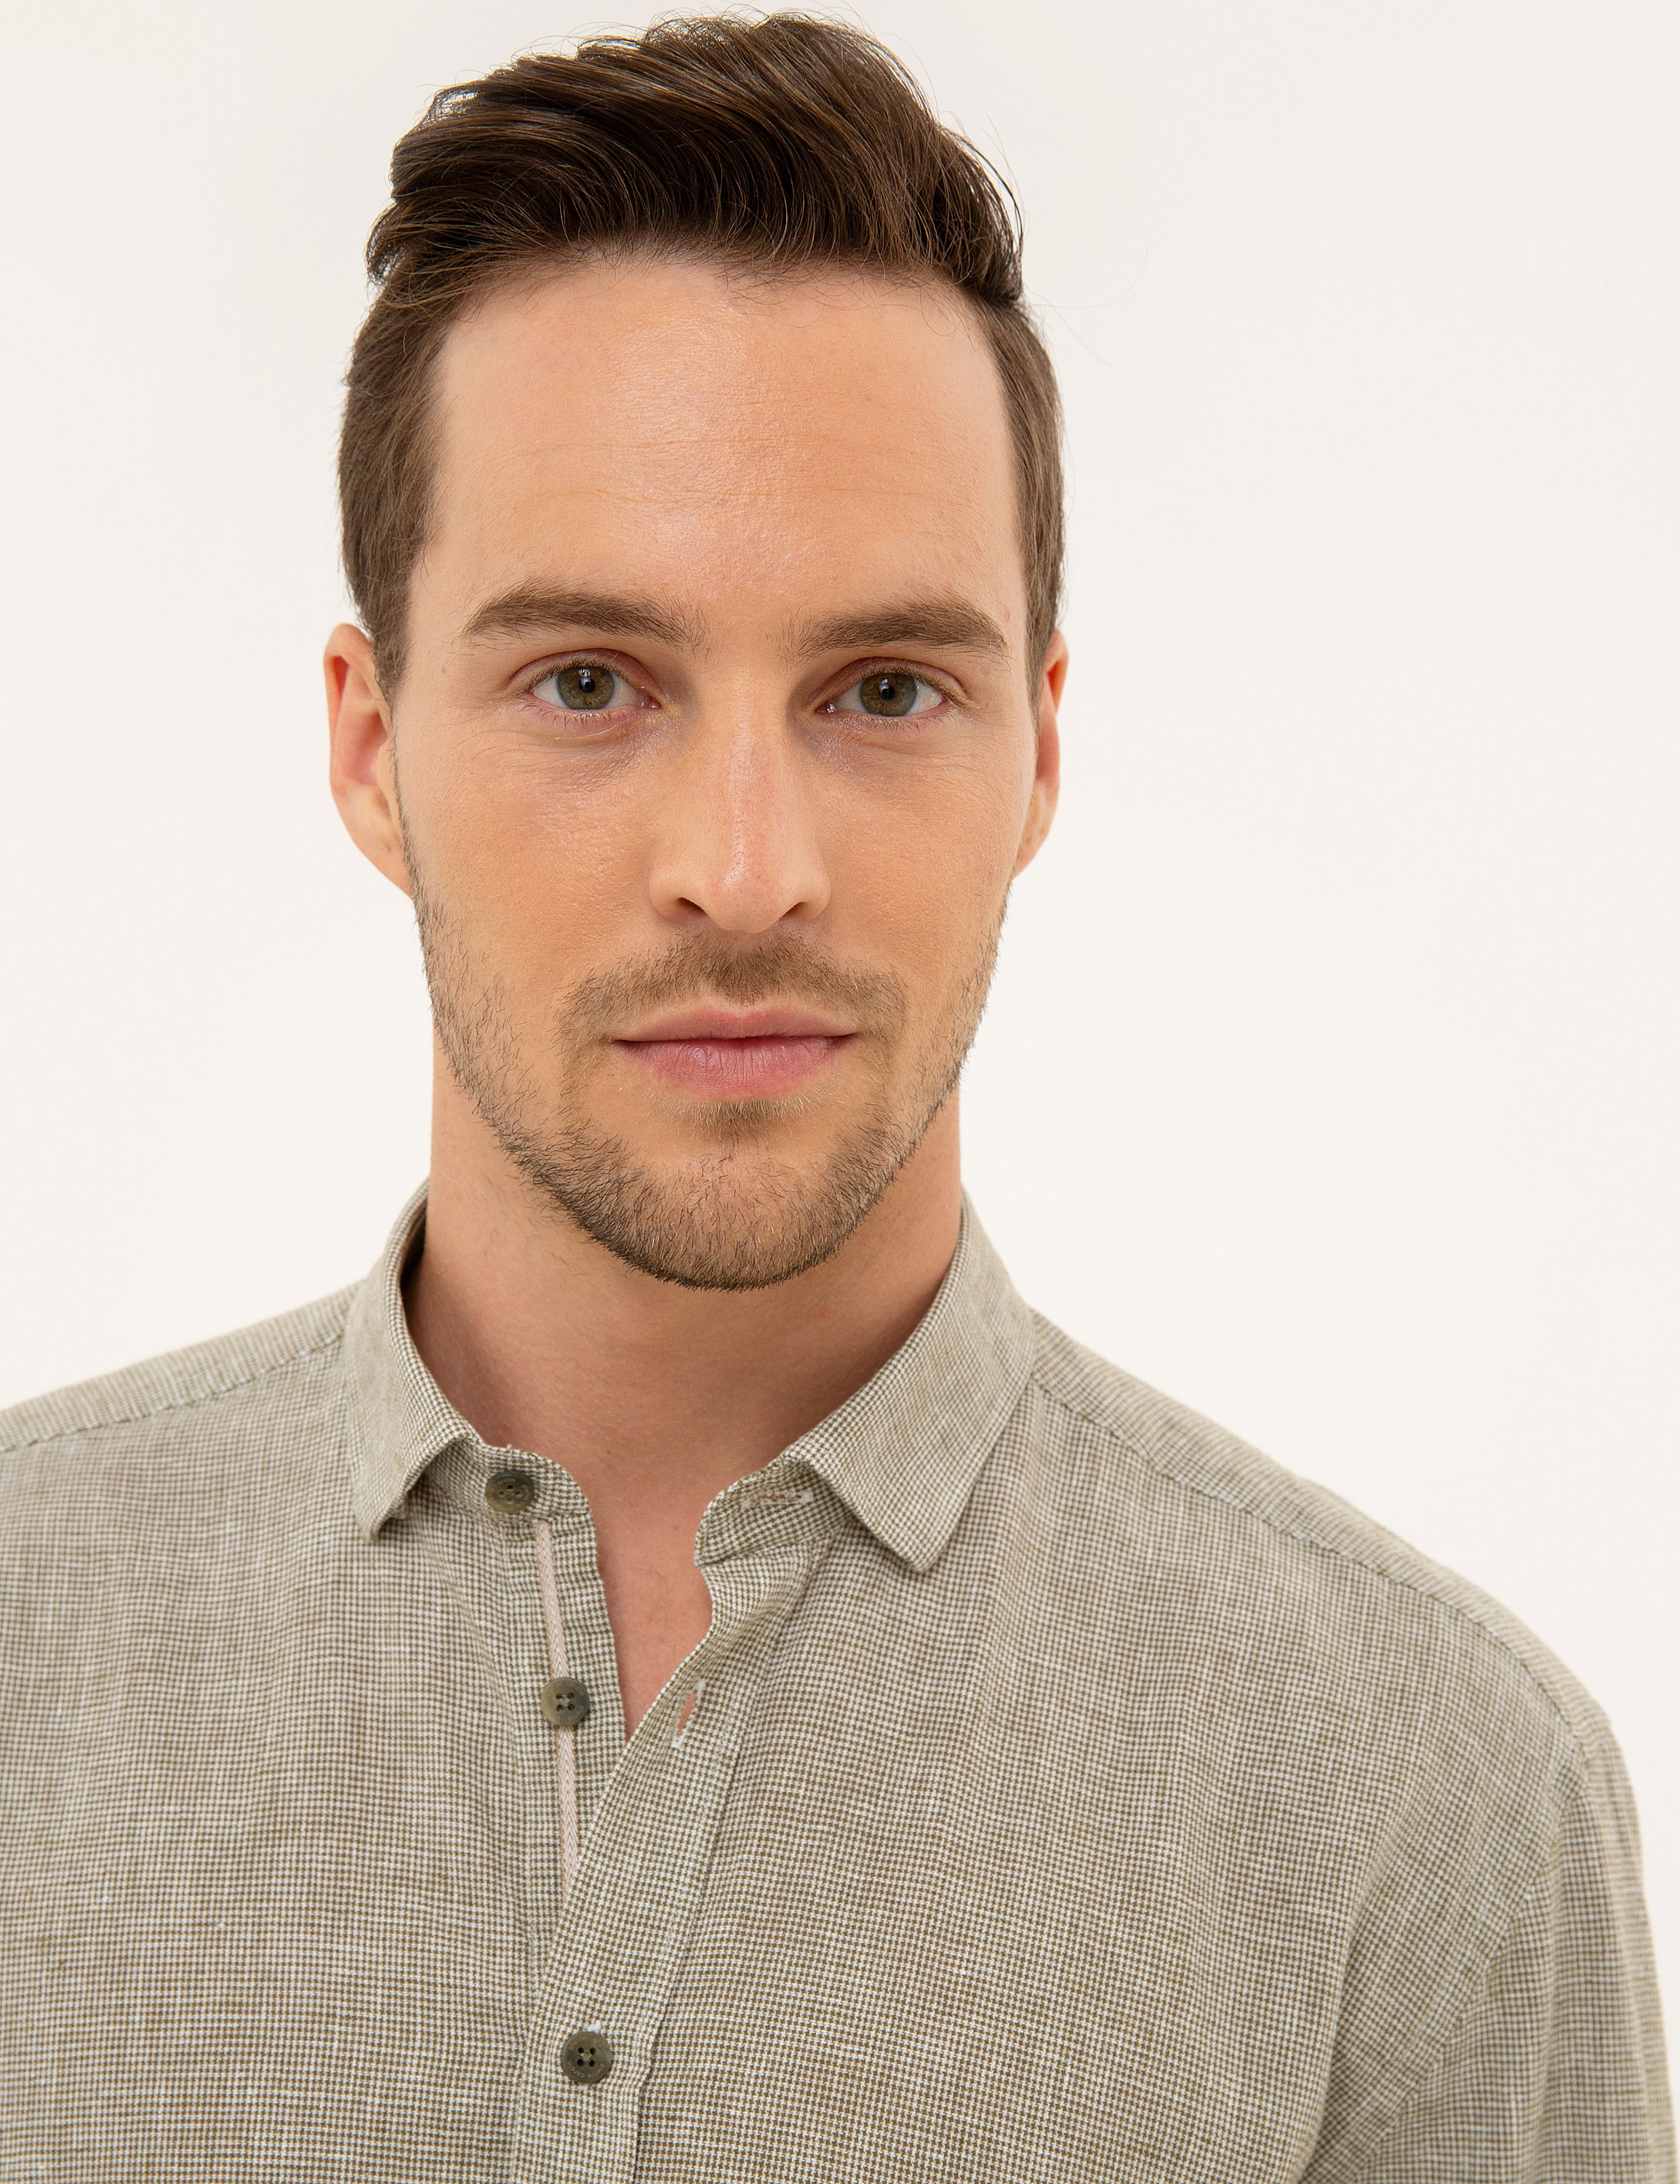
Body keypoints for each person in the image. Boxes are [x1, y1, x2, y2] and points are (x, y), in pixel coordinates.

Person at [0, 14, 1669, 2179]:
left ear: (1037, 755)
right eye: (586, 682)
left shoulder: (1431, 1794)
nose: (746, 865)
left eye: (884, 690)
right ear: (371, 749)